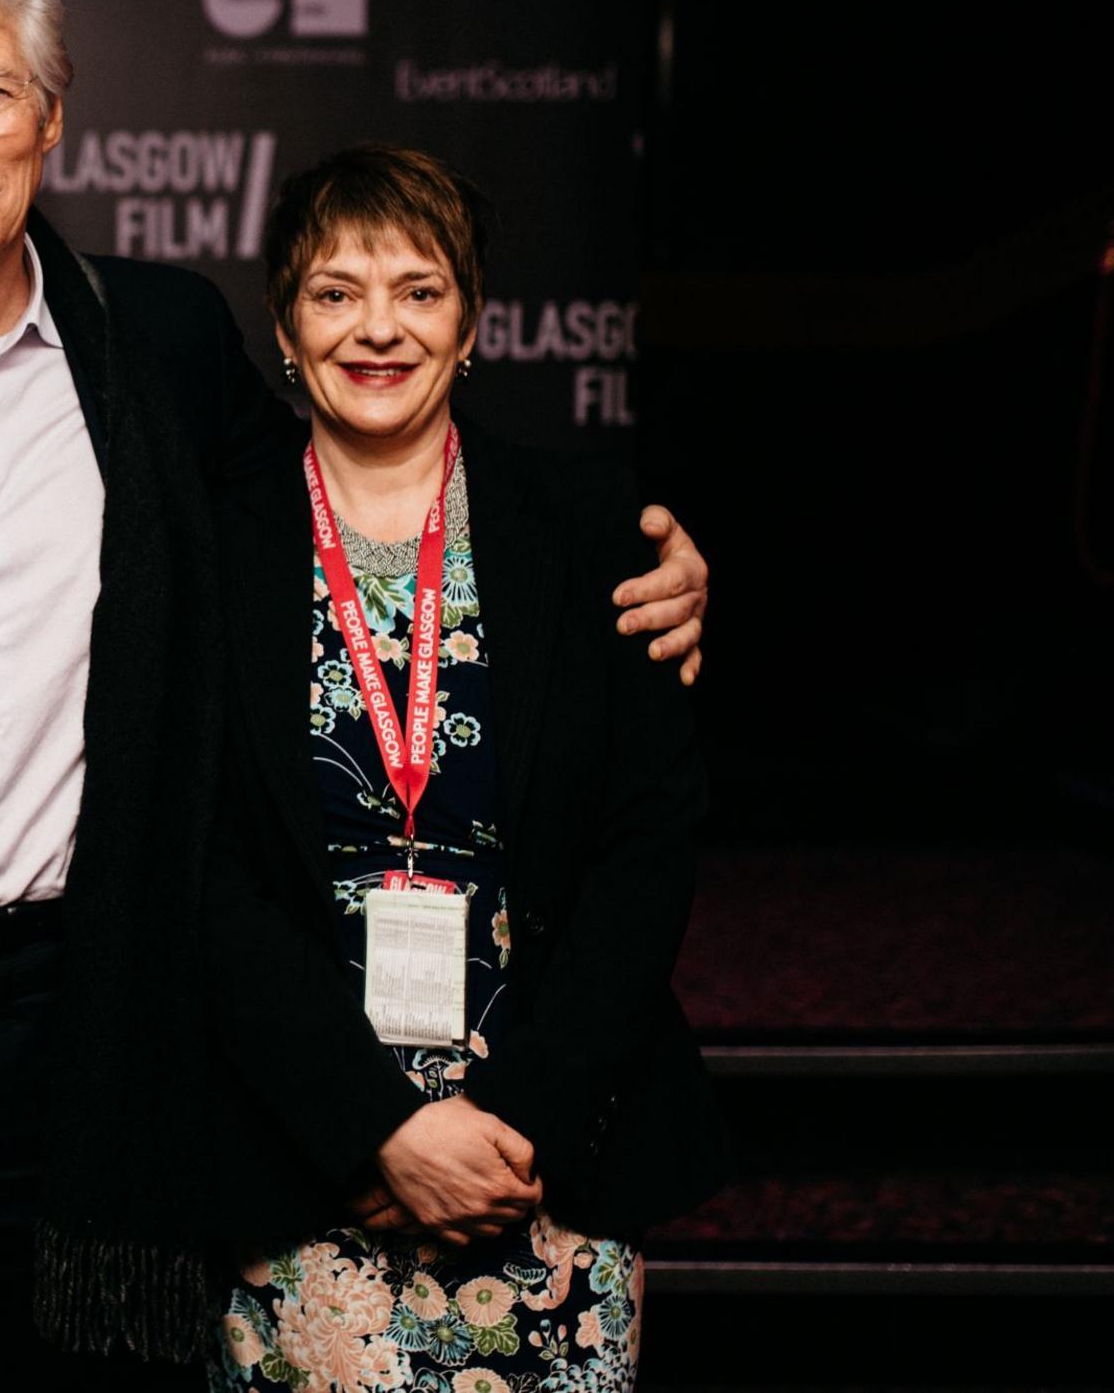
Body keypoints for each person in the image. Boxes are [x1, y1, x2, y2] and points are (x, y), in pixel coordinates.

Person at [0, 0, 713, 1389]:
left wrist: (644, 564)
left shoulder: (168, 349)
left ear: (51, 118)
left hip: (101, 1011)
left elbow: (363, 502)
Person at [203, 146, 725, 1391]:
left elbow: (648, 844)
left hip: (542, 1157)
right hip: (307, 1156)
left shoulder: (595, 529)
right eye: (334, 292)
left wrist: (510, 1126)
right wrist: (374, 1127)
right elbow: (194, 869)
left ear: (471, 318)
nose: (376, 327)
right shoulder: (210, 542)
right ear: (282, 322)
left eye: (417, 288)